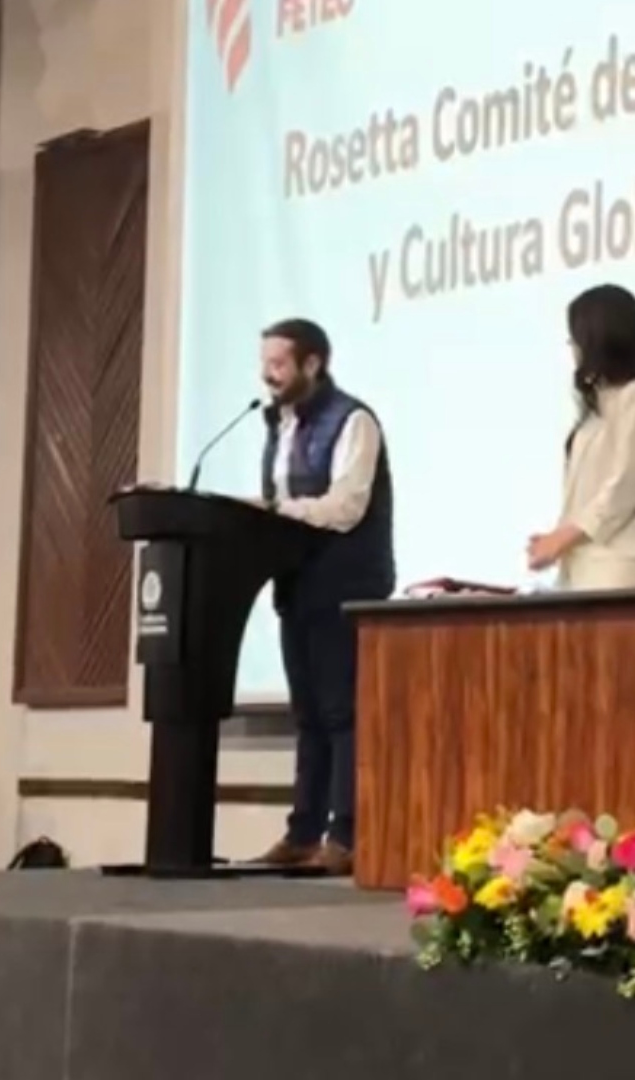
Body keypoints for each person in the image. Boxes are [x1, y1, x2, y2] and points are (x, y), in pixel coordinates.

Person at [251, 318, 394, 876]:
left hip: (345, 583)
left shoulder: (352, 420)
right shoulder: (279, 425)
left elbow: (345, 507)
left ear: (312, 364)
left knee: (341, 712)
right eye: (265, 363)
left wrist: (275, 512)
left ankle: (347, 834)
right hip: (297, 583)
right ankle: (303, 832)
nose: (268, 375)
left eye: (279, 364)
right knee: (308, 713)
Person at [528, 284, 635, 590]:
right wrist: (557, 538)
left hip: (624, 573)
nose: (573, 348)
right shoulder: (597, 408)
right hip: (583, 570)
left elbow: (626, 485)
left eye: (576, 338)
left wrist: (563, 537)